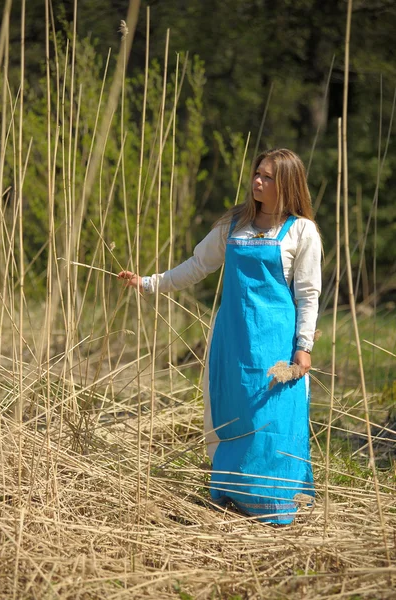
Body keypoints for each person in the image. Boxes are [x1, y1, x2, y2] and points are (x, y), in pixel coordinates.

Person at [118, 148, 322, 525]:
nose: (257, 180)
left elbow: (308, 293)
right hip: (233, 337)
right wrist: (148, 283)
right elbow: (197, 266)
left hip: (278, 342)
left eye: (267, 176)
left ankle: (275, 502)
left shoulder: (302, 231)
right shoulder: (234, 224)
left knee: (274, 417)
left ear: (287, 183)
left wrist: (303, 347)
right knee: (234, 413)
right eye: (257, 173)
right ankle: (233, 494)